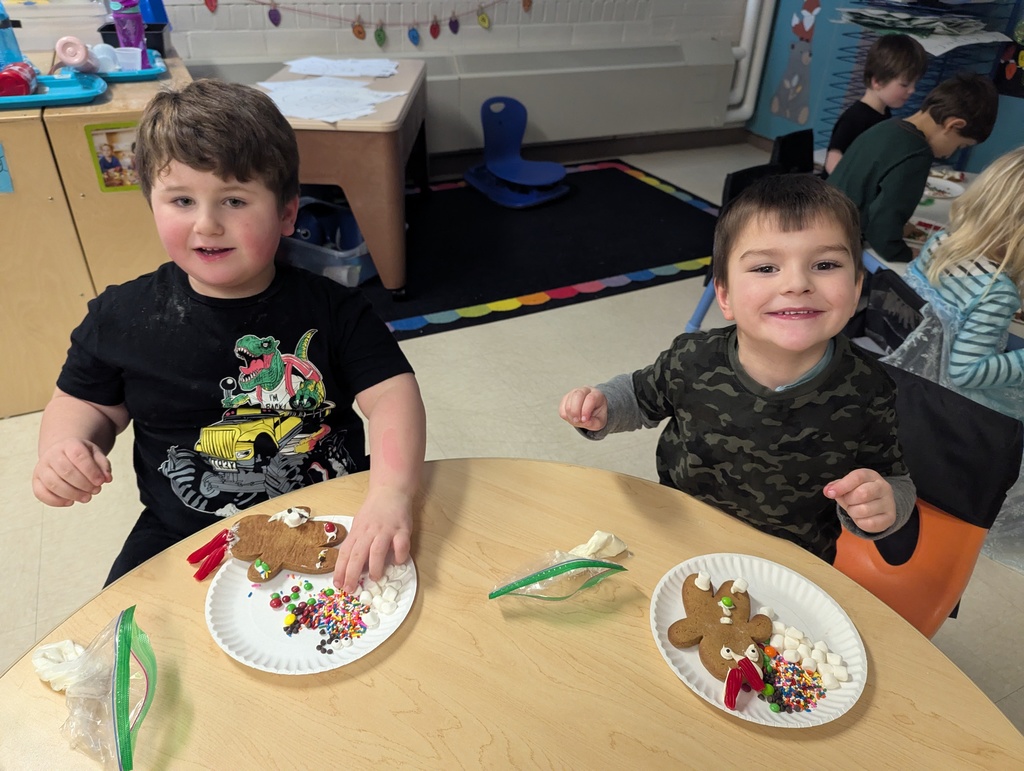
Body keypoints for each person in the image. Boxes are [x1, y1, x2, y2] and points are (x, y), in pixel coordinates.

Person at [32, 79, 427, 593]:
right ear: (151, 203)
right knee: (119, 633)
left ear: (287, 213)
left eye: (234, 200)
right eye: (181, 200)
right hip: (185, 529)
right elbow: (85, 405)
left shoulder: (335, 308)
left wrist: (390, 494)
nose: (207, 224)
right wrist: (64, 448)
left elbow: (394, 396)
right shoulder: (118, 317)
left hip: (332, 508)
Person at [559, 175, 915, 563]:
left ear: (857, 289)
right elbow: (638, 395)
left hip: (791, 564)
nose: (797, 283)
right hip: (679, 539)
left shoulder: (869, 388)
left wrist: (882, 505)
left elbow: (892, 477)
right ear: (724, 296)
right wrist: (603, 407)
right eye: (765, 268)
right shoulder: (692, 358)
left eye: (825, 264)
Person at [883, 146, 1024, 421]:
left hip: (908, 370)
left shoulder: (940, 242)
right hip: (945, 396)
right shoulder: (997, 292)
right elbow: (966, 372)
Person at [828, 72, 999, 263]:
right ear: (953, 125)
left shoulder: (887, 126)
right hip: (840, 243)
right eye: (960, 146)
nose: (950, 154)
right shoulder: (917, 154)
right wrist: (904, 253)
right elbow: (883, 227)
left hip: (822, 222)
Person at [822, 33, 928, 177]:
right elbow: (832, 159)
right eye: (905, 84)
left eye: (915, 83)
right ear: (877, 81)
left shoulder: (884, 114)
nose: (912, 90)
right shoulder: (854, 117)